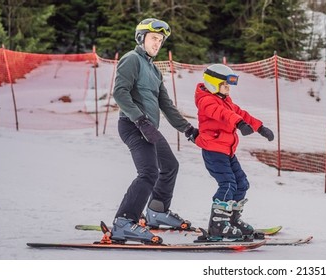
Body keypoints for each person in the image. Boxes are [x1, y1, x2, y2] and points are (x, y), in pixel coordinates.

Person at [109, 18, 199, 244]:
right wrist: (140, 120)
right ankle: (123, 222)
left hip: (148, 128)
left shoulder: (154, 70)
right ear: (141, 38)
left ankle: (157, 211)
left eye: (160, 40)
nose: (157, 44)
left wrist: (187, 128)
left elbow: (166, 105)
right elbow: (120, 93)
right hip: (133, 125)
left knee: (169, 166)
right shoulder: (132, 60)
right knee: (149, 172)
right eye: (153, 39)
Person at [193, 64, 274, 241]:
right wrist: (238, 124)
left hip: (227, 152)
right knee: (228, 184)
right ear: (214, 84)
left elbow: (240, 113)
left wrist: (259, 127)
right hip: (214, 152)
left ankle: (231, 221)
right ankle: (217, 226)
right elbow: (223, 114)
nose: (228, 89)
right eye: (225, 85)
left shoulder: (225, 100)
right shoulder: (206, 101)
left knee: (242, 184)